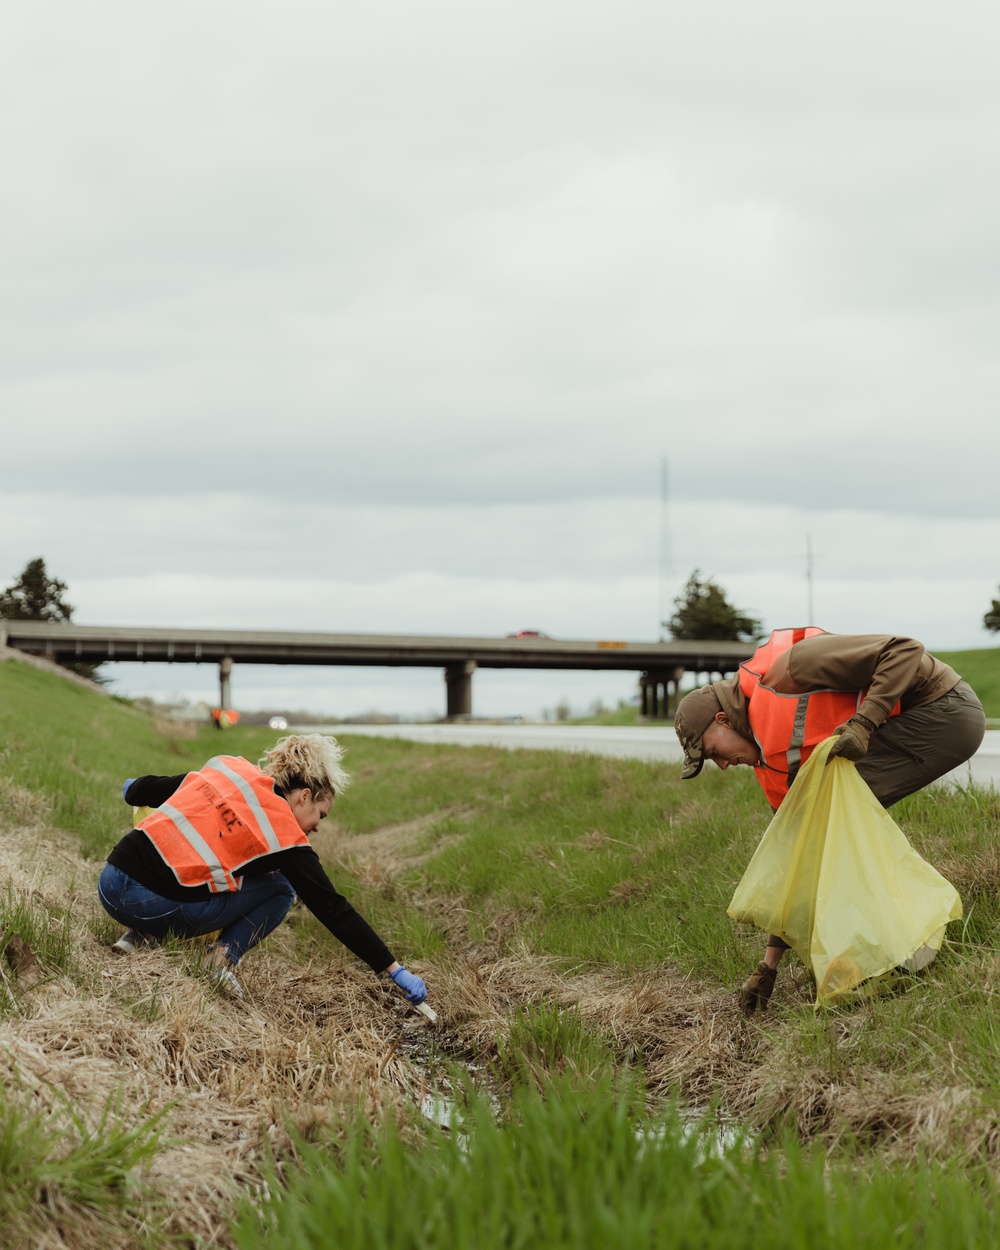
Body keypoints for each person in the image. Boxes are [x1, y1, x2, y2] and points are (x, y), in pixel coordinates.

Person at [673, 628, 986, 1014]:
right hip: (931, 724)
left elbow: (905, 649)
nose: (722, 765)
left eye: (713, 752)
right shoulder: (772, 761)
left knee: (838, 818)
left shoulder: (796, 666)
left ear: (723, 719)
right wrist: (768, 964)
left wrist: (863, 725)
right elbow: (800, 855)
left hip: (945, 710)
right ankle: (881, 948)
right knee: (827, 828)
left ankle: (905, 945)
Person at [97, 734, 429, 1005]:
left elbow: (156, 788)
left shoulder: (230, 771)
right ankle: (219, 963)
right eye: (320, 815)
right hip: (150, 904)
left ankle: (140, 935)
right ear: (304, 796)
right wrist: (393, 969)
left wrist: (133, 789)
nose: (316, 828)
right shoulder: (285, 833)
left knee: (203, 866)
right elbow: (332, 907)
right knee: (283, 887)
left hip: (111, 883)